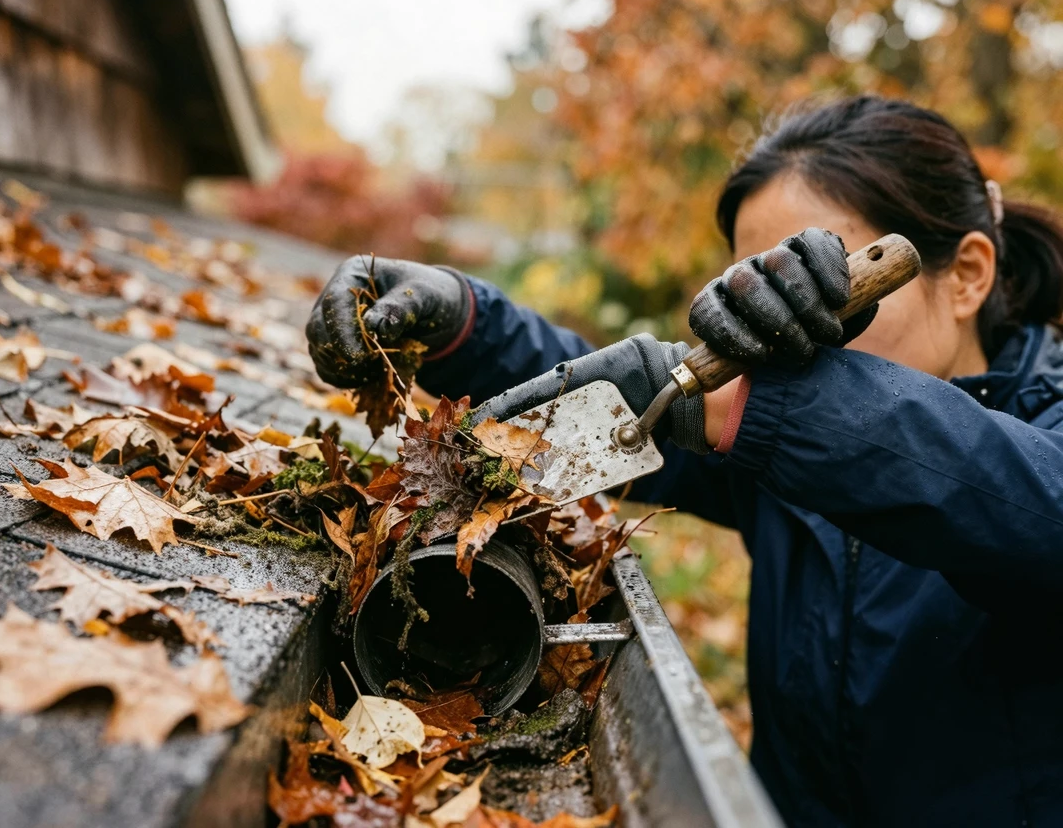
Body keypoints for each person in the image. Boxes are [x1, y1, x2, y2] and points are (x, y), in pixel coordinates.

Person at [305, 95, 1063, 826]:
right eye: (766, 299)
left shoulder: (1034, 436)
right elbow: (625, 413)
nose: (787, 343)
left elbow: (1027, 504)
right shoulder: (787, 457)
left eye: (815, 288)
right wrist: (464, 326)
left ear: (968, 275)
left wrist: (760, 403)